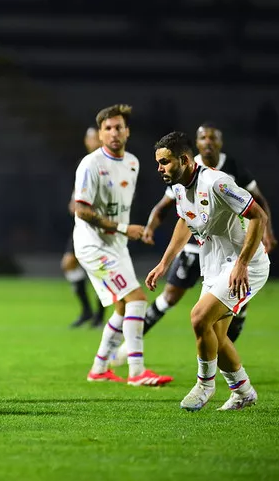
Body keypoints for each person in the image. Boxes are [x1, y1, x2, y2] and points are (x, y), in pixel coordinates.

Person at [147, 132, 268, 411]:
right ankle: (244, 392)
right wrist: (165, 262)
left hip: (246, 265)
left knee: (199, 317)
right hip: (214, 264)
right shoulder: (179, 186)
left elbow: (257, 215)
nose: (160, 168)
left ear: (185, 159)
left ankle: (204, 385)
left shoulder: (217, 182)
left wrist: (241, 265)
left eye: (164, 162)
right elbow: (183, 221)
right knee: (215, 333)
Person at [139, 124, 276, 342]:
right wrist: (160, 253)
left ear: (220, 143)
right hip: (201, 250)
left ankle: (225, 361)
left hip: (233, 251)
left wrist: (266, 234)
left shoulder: (226, 173)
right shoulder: (179, 177)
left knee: (209, 322)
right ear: (197, 143)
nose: (208, 142)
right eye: (203, 137)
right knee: (178, 301)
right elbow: (179, 215)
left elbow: (258, 207)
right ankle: (133, 345)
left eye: (213, 138)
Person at [74, 104, 172, 386]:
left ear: (127, 132)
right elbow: (81, 210)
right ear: (101, 134)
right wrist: (122, 228)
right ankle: (137, 371)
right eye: (108, 128)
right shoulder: (91, 165)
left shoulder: (133, 162)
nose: (114, 133)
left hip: (116, 245)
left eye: (119, 127)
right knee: (138, 300)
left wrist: (133, 231)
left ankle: (99, 368)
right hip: (93, 245)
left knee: (122, 307)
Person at [64, 126, 102, 328]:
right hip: (82, 226)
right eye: (90, 138)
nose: (93, 141)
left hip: (100, 225)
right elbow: (79, 191)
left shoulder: (107, 164)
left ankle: (100, 315)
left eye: (96, 138)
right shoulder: (84, 164)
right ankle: (87, 310)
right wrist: (74, 202)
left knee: (99, 269)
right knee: (69, 263)